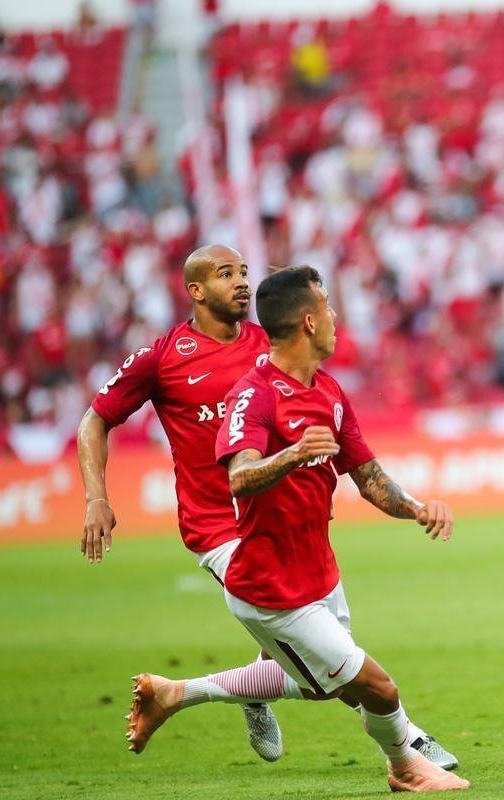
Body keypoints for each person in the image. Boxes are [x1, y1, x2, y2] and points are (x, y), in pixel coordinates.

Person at [78, 246, 456, 768]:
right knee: (335, 667)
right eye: (225, 274)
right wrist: (97, 496)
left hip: (284, 525)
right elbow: (94, 420)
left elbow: (328, 432)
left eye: (243, 273)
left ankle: (236, 687)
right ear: (195, 290)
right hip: (220, 532)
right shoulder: (162, 358)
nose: (239, 283)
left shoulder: (270, 347)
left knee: (323, 657)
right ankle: (407, 743)